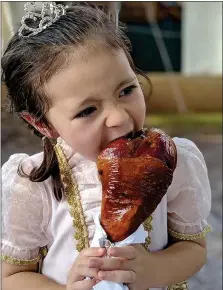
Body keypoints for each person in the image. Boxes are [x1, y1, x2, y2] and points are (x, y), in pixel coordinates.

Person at [1, 2, 211, 290]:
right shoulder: (33, 185)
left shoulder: (175, 161)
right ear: (43, 124)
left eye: (126, 90)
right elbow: (11, 276)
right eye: (87, 111)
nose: (119, 118)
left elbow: (195, 249)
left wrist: (155, 270)